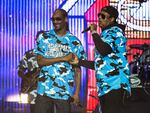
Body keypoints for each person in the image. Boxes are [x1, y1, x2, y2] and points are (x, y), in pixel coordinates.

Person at [70, 6, 131, 113]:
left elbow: (104, 50)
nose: (99, 18)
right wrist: (79, 62)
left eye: (103, 16)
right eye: (99, 15)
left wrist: (94, 32)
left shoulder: (115, 31)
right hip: (106, 86)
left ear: (111, 19)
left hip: (115, 84)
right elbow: (100, 64)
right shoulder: (105, 34)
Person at [33, 8, 86, 113]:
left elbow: (77, 70)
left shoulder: (74, 41)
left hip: (64, 91)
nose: (55, 22)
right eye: (53, 19)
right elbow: (40, 61)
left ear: (65, 19)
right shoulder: (44, 37)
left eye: (58, 19)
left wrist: (76, 93)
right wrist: (63, 58)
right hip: (44, 90)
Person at [17, 49, 40, 113]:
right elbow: (20, 70)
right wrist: (26, 79)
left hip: (49, 90)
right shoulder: (29, 54)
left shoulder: (53, 53)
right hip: (33, 91)